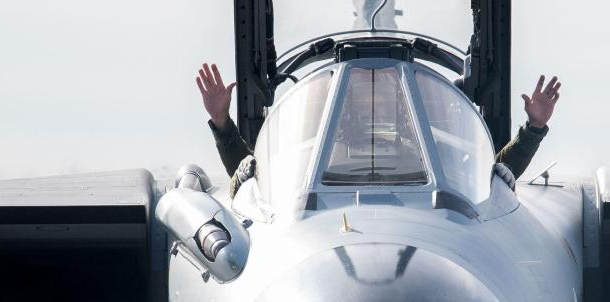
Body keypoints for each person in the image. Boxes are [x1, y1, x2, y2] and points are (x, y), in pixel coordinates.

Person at [195, 63, 561, 195]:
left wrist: (534, 128)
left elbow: (491, 180)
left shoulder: (436, 155)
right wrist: (223, 124)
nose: (374, 96)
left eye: (386, 88)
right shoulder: (307, 157)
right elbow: (256, 185)